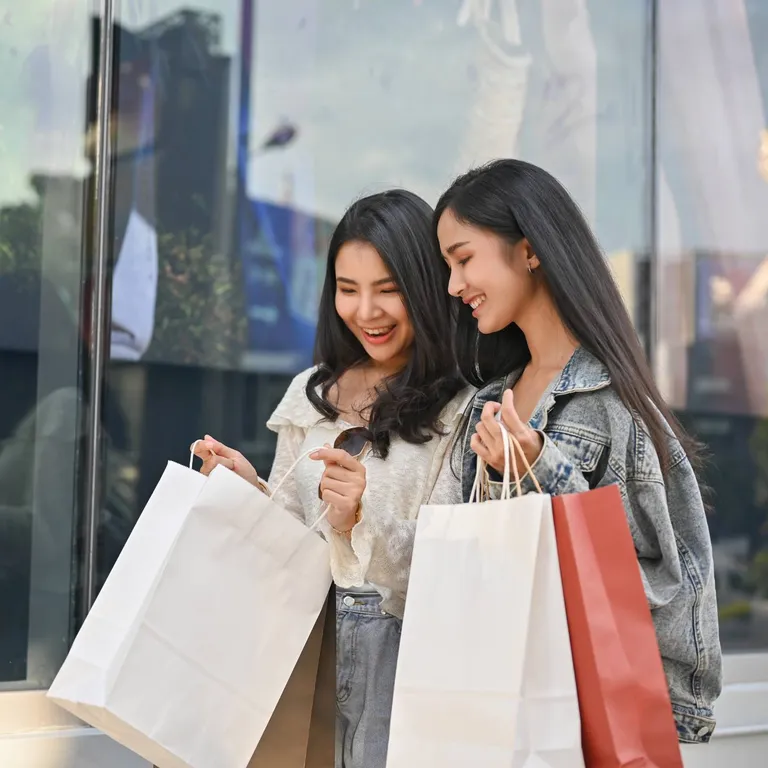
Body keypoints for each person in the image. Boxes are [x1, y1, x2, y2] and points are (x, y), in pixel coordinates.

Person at [434, 159, 722, 744]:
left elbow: (670, 583)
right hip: (493, 710)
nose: (453, 285)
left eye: (463, 259)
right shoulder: (486, 403)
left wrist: (543, 468)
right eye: (448, 267)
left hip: (578, 723)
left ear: (529, 250)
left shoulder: (615, 405)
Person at [193, 189, 472, 768]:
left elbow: (450, 569)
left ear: (425, 286)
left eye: (388, 290)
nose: (366, 311)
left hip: (396, 660)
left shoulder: (463, 407)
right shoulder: (310, 391)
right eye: (348, 289)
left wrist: (360, 518)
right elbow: (291, 539)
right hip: (300, 648)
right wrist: (250, 491)